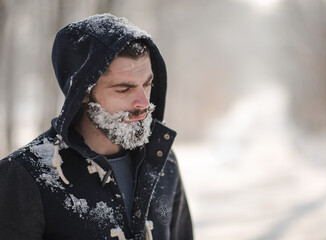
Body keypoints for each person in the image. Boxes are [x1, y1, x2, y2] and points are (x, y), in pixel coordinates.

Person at [0, 14, 193, 240]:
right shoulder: (26, 177)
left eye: (147, 84)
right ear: (82, 92)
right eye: (124, 89)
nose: (143, 102)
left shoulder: (162, 163)